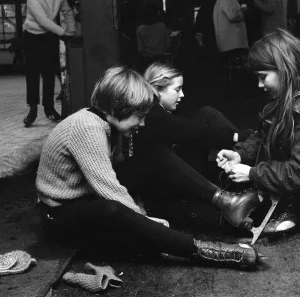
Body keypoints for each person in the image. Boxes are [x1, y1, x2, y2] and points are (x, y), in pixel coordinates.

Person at [36, 66, 260, 268]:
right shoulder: (87, 127)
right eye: (139, 116)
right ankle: (207, 252)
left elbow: (119, 178)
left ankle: (227, 201)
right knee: (113, 210)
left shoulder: (107, 124)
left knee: (154, 155)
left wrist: (140, 215)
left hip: (85, 195)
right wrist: (145, 223)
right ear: (118, 108)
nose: (142, 123)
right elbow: (109, 191)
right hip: (59, 214)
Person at [217, 28, 300, 236]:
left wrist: (253, 173)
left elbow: (297, 172)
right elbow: (261, 136)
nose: (260, 85)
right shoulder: (277, 104)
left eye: (263, 76)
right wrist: (241, 154)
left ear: (284, 68)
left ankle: (290, 209)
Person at [23, 0, 75, 127]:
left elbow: (67, 12)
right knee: (32, 73)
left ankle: (49, 109)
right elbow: (43, 21)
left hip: (49, 34)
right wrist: (64, 32)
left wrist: (72, 29)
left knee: (49, 73)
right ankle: (33, 110)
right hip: (31, 35)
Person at [213, 0, 250, 99]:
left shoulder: (221, 0)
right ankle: (238, 96)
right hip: (233, 42)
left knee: (231, 71)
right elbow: (233, 15)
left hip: (228, 42)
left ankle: (233, 95)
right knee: (237, 72)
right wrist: (242, 10)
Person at [136, 3, 171, 73]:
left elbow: (140, 49)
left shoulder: (140, 28)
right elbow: (168, 45)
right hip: (160, 60)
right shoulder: (162, 26)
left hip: (146, 61)